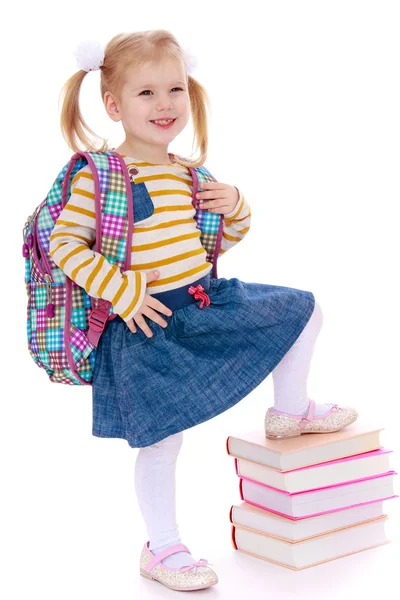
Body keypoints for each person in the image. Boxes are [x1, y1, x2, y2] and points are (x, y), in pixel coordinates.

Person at [49, 30, 358, 592]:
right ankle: (162, 547)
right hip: (147, 324)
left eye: (175, 89)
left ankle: (290, 411)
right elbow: (65, 246)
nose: (165, 104)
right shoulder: (100, 176)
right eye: (146, 94)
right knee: (161, 441)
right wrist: (122, 292)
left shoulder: (190, 175)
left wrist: (236, 206)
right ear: (113, 105)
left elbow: (214, 243)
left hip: (202, 303)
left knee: (302, 310)